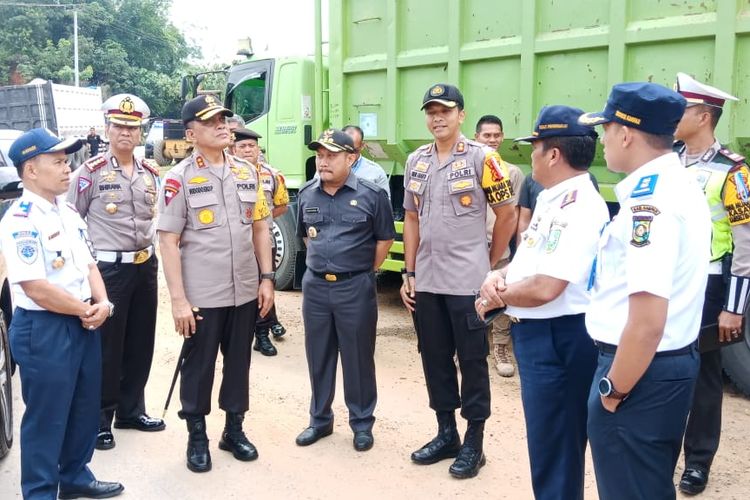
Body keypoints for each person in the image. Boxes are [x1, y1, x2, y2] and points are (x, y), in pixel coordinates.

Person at [578, 82, 711, 499]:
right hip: (664, 367)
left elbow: (647, 322)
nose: (602, 138)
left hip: (638, 373)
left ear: (625, 133)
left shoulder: (647, 203)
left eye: (605, 128)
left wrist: (613, 391)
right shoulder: (680, 183)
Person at [477, 105, 607, 499]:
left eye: (534, 147)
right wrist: (502, 274)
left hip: (559, 336)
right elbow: (532, 258)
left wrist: (494, 296)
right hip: (542, 333)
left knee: (558, 445)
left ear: (553, 154)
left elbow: (548, 286)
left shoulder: (580, 205)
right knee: (549, 444)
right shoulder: (554, 198)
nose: (529, 155)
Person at [400, 83, 516, 479]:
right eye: (431, 111)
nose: (437, 117)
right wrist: (409, 272)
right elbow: (411, 219)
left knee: (472, 362)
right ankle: (446, 433)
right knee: (434, 359)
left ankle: (474, 442)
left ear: (461, 115)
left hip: (468, 284)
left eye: (445, 111)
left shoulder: (485, 159)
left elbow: (507, 214)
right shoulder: (416, 160)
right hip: (428, 281)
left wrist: (488, 263)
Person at [1, 128, 123, 499]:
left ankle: (74, 475)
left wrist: (103, 304)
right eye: (57, 162)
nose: (68, 168)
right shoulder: (19, 219)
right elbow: (35, 286)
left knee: (84, 406)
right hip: (45, 328)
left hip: (84, 322)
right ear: (31, 170)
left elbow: (88, 265)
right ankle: (39, 491)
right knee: (47, 417)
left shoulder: (68, 211)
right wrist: (89, 309)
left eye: (67, 160)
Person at [157, 95, 275, 473]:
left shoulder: (247, 172)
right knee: (200, 366)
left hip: (244, 289)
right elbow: (168, 241)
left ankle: (233, 430)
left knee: (239, 363)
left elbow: (260, 228)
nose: (223, 125)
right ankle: (196, 436)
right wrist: (178, 300)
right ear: (191, 134)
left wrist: (267, 278)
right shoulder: (178, 179)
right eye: (211, 122)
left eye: (224, 118)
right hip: (203, 294)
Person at [68, 94, 164, 452]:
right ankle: (99, 419)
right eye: (119, 126)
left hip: (144, 266)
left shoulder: (150, 172)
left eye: (132, 127)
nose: (125, 133)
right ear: (106, 129)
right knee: (107, 347)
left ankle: (131, 410)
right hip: (108, 269)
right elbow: (72, 221)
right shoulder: (89, 173)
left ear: (141, 132)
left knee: (141, 341)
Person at [673, 73, 750, 495]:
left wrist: (734, 307)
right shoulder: (666, 159)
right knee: (661, 369)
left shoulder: (732, 170)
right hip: (667, 284)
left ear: (704, 116)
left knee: (704, 375)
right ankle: (663, 450)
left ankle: (698, 461)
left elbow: (745, 244)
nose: (674, 115)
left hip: (707, 286)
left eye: (681, 108)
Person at [294, 128, 395, 451]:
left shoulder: (371, 194)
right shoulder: (308, 194)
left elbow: (384, 239)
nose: (323, 162)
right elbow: (306, 237)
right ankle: (320, 420)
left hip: (355, 287)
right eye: (320, 155)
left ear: (351, 158)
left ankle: (362, 423)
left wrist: (363, 270)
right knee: (318, 356)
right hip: (316, 287)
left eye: (331, 156)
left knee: (358, 357)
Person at [230, 126, 290, 356]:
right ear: (233, 149)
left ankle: (262, 335)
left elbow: (282, 204)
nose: (247, 150)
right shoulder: (227, 173)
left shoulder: (272, 174)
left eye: (251, 146)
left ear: (258, 149)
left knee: (265, 284)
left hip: (264, 242)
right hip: (236, 245)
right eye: (242, 146)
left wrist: (260, 223)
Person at [474, 114, 524, 377]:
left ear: (502, 138)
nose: (492, 140)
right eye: (486, 135)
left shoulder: (513, 173)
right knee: (470, 297)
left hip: (499, 246)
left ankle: (501, 347)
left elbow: (513, 214)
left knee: (500, 296)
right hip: (471, 248)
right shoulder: (469, 168)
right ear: (476, 137)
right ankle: (468, 349)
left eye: (496, 135)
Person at [517, 164, 599, 239]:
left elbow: (591, 220)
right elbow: (524, 221)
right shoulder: (530, 180)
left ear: (554, 154)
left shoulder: (585, 179)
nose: (532, 155)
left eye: (536, 149)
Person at [342, 125, 391, 198]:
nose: (349, 155)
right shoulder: (327, 168)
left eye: (354, 150)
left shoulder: (376, 172)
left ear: (362, 146)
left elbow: (384, 204)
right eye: (345, 150)